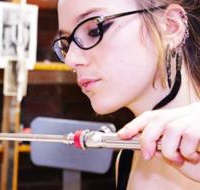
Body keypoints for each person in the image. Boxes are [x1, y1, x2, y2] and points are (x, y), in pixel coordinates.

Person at [53, 0, 200, 189]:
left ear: (170, 26)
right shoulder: (128, 157)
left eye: (95, 30)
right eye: (66, 43)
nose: (71, 60)